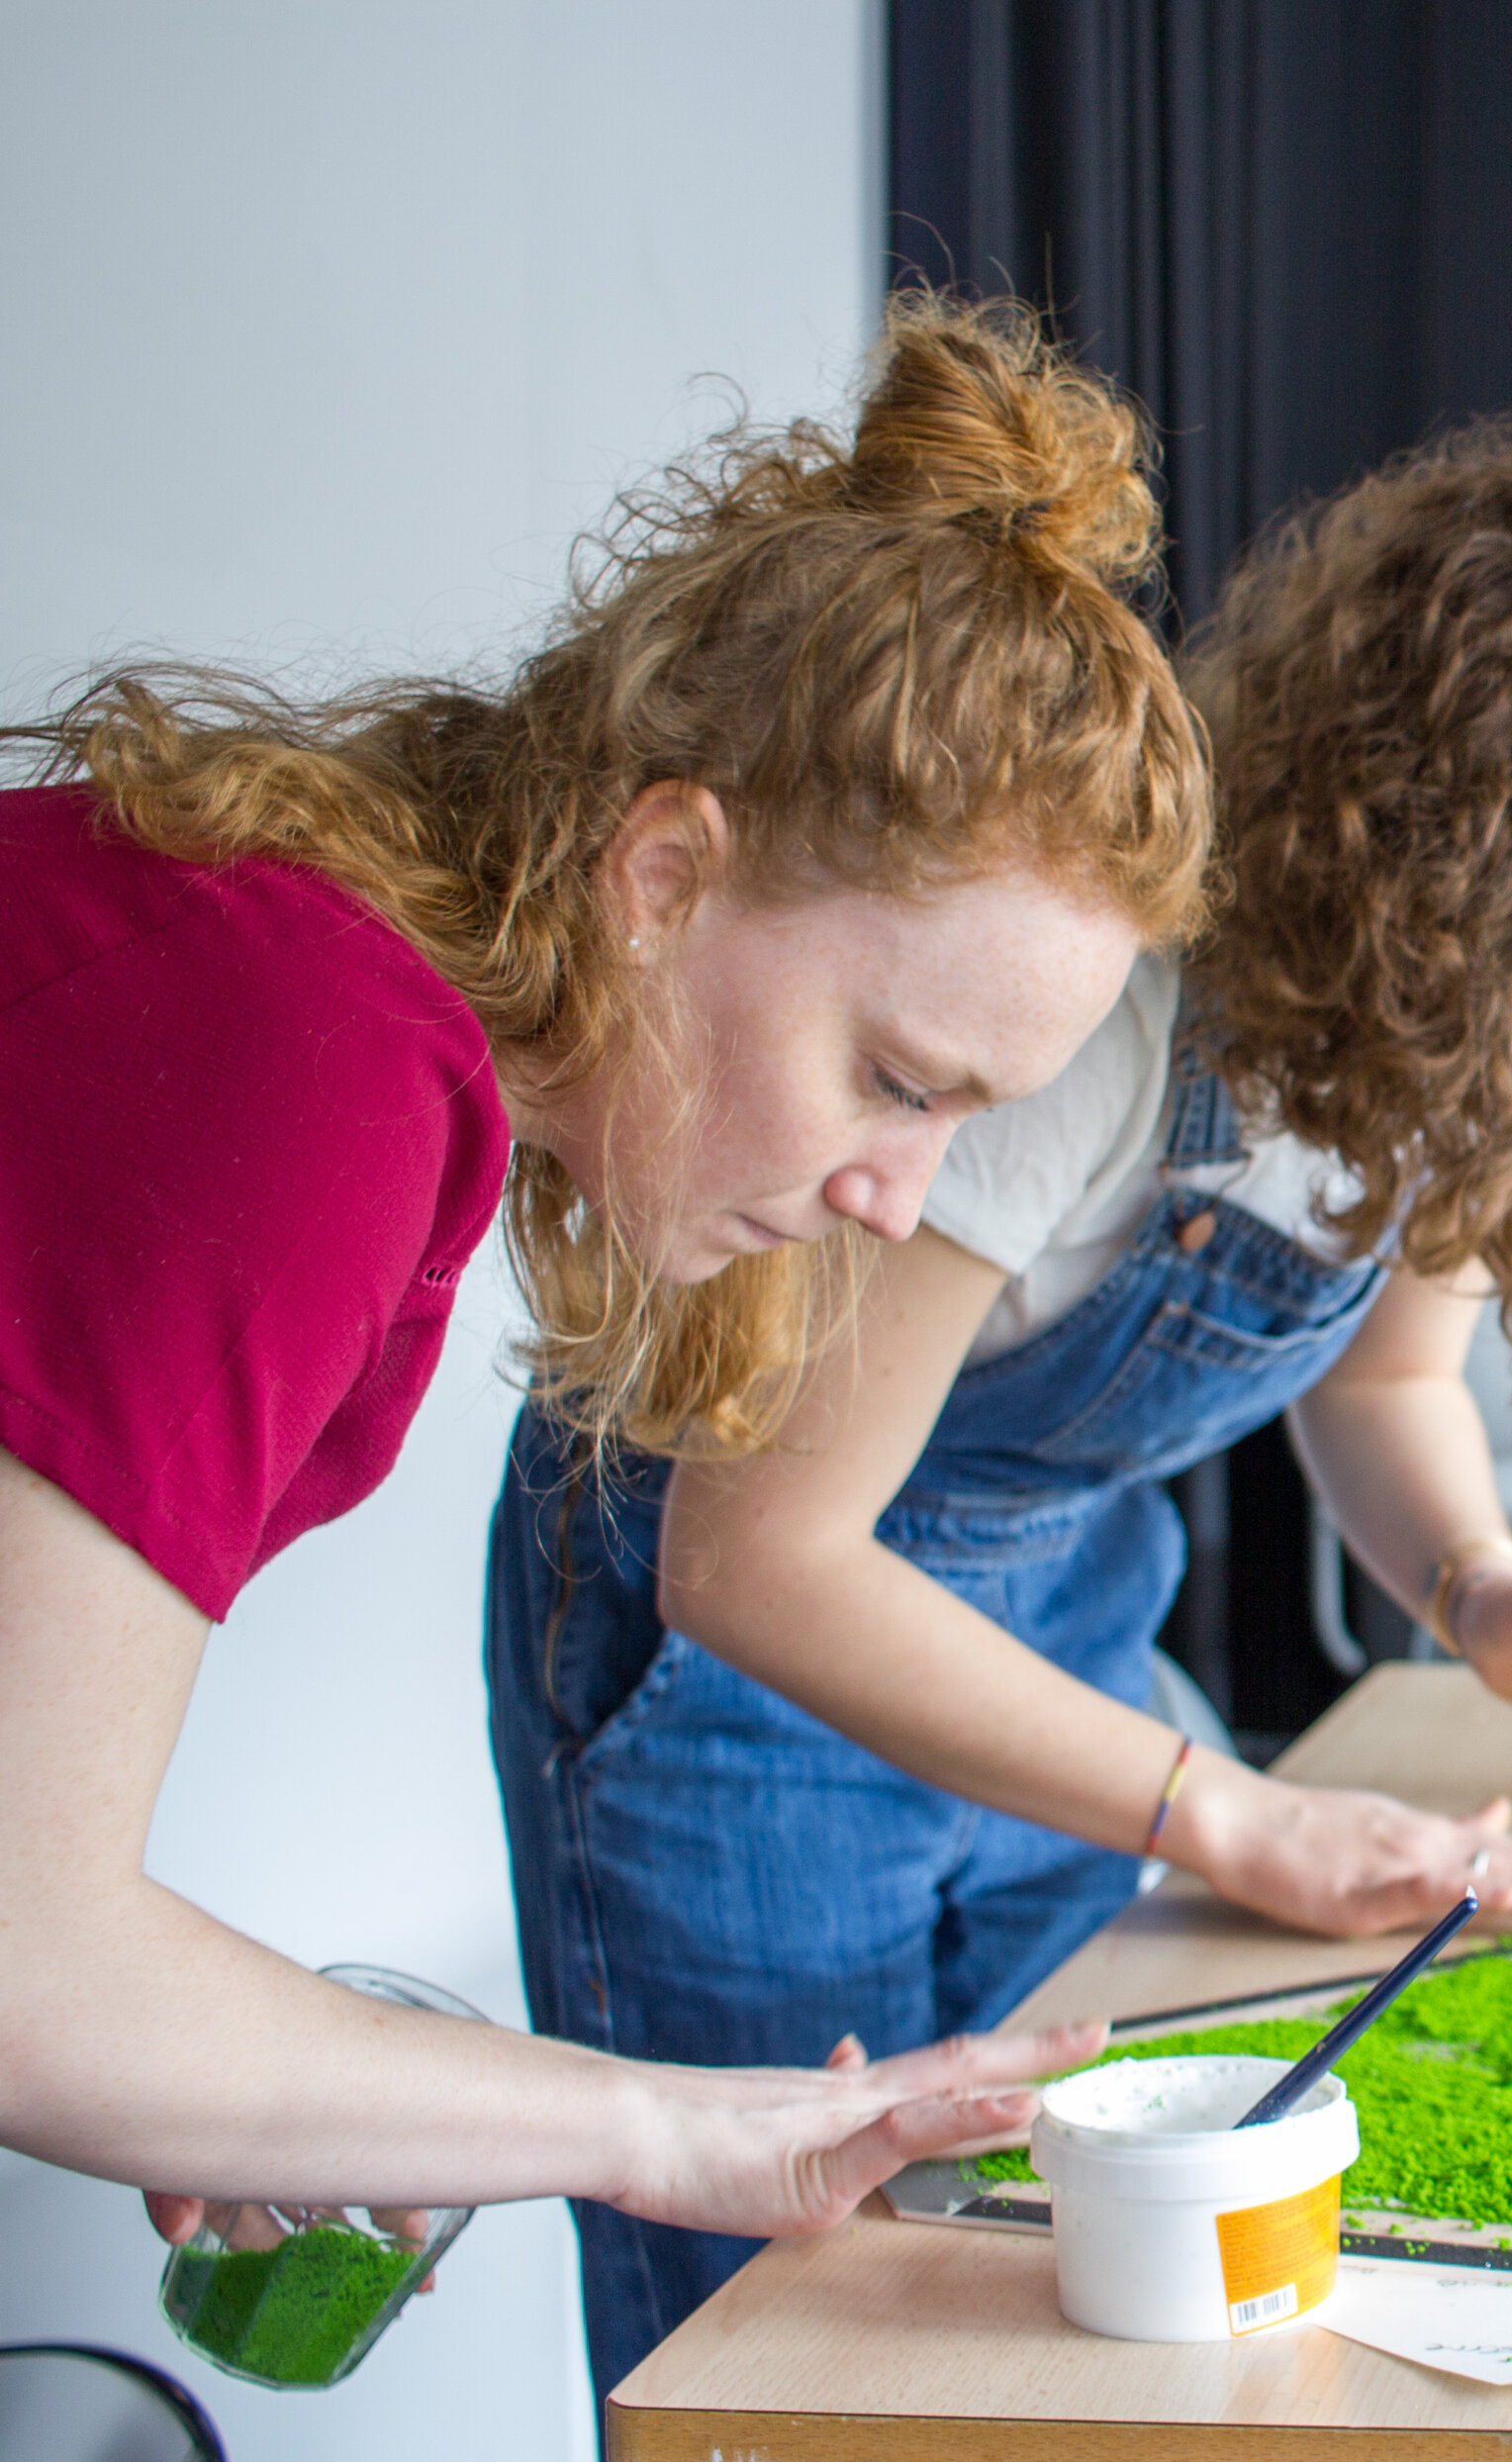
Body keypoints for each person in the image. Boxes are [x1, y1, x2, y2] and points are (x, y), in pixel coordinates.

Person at [488, 416, 1512, 2462]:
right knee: (812, 2333)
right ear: (1458, 897)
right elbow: (759, 1550)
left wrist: (1486, 1588)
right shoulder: (1097, 1029)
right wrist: (1217, 1802)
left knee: (1075, 2297)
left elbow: (1390, 1361)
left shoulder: (1508, 1040)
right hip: (742, 1689)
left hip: (1044, 1612)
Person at [0, 299, 1209, 2251]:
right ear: (661, 873)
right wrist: (666, 2127)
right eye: (894, 1081)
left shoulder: (333, 1015)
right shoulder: (311, 1052)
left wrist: (218, 2042)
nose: (900, 1198)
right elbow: (27, 1968)